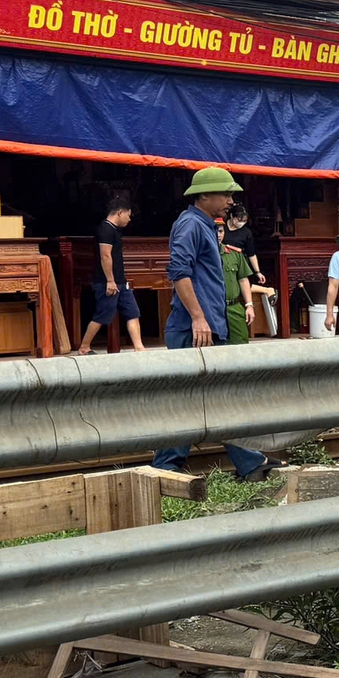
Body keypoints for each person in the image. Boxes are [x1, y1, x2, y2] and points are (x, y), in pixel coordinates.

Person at [153, 167, 274, 480]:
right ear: (203, 195)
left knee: (212, 400)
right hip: (193, 329)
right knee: (195, 400)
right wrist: (197, 318)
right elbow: (179, 272)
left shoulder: (206, 225)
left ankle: (246, 462)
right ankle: (166, 467)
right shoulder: (190, 225)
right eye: (226, 194)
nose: (230, 201)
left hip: (208, 327)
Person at [74, 191, 144, 354]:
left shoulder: (114, 231)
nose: (129, 219)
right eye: (128, 215)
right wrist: (110, 281)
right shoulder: (105, 230)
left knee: (133, 312)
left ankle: (139, 347)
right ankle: (84, 347)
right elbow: (105, 255)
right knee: (102, 315)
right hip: (107, 282)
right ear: (120, 212)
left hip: (121, 281)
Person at [217, 216, 257, 344]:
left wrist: (249, 305)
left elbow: (243, 279)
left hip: (233, 307)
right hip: (213, 309)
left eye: (221, 231)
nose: (218, 235)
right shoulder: (202, 255)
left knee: (241, 346)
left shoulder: (234, 253)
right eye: (215, 230)